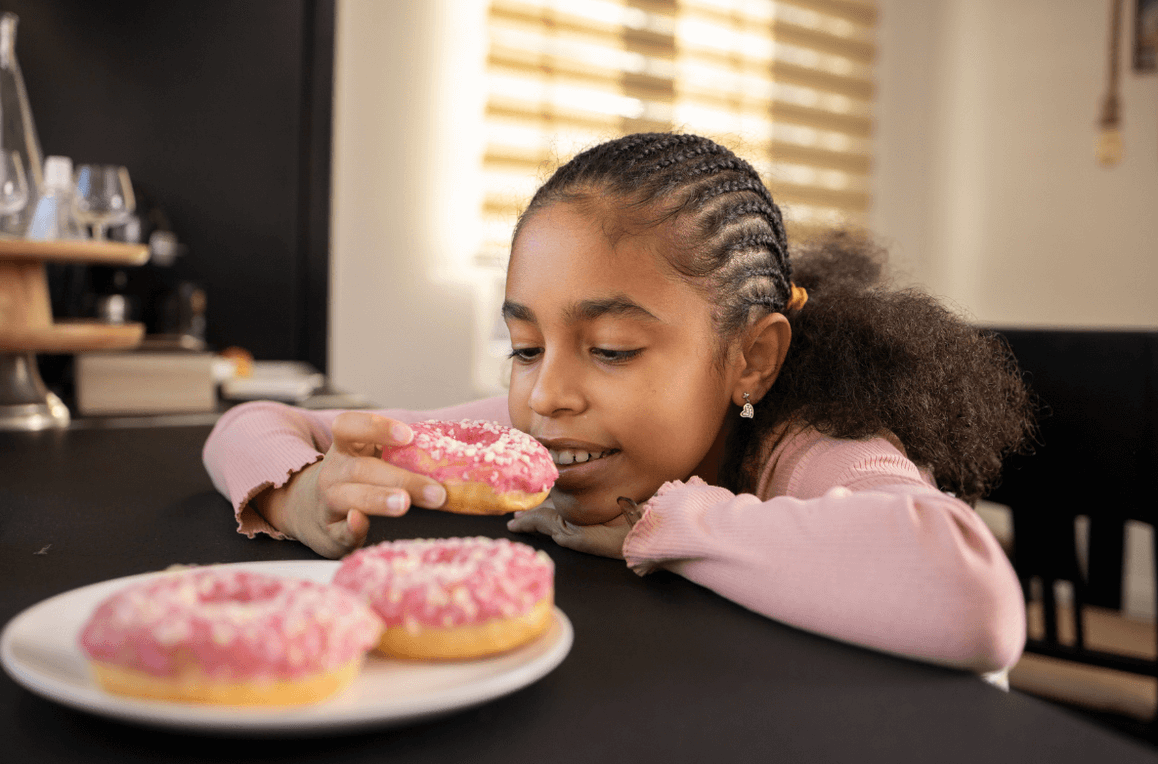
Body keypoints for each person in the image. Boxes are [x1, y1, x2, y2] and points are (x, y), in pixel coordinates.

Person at [203, 132, 1034, 676]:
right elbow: (254, 423)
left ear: (751, 359)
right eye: (525, 347)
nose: (545, 394)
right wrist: (298, 487)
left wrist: (665, 523)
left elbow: (977, 602)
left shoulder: (813, 448)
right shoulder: (541, 425)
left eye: (610, 350)